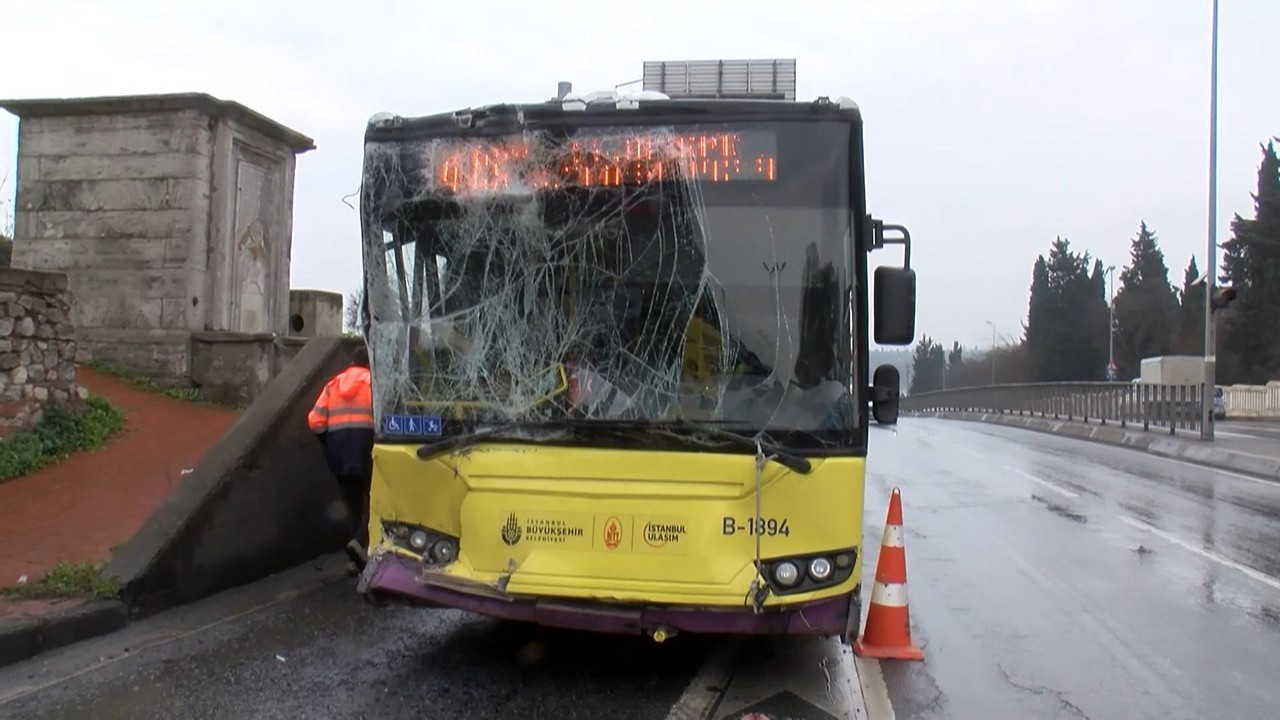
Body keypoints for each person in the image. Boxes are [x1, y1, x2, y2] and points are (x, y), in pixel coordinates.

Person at [308, 345, 375, 573]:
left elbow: (315, 420)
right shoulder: (372, 383)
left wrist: (329, 443)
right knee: (375, 500)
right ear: (368, 362)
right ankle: (360, 542)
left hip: (338, 453)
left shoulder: (333, 385)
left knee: (351, 503)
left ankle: (354, 560)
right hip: (366, 450)